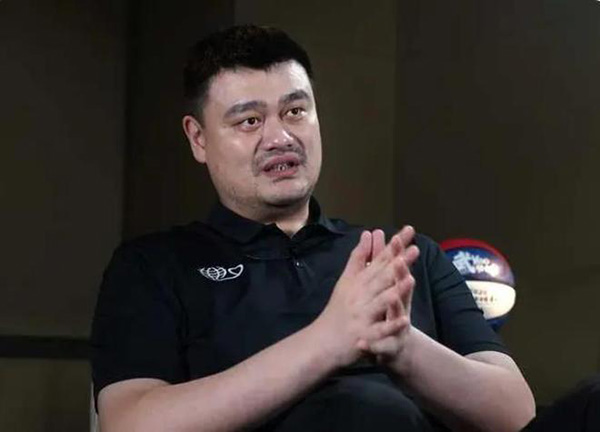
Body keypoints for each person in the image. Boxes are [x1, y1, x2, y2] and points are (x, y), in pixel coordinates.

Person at [91, 25, 535, 432]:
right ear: (198, 138)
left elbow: (516, 414)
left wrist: (402, 345)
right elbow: (129, 423)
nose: (280, 138)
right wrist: (328, 340)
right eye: (249, 121)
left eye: (295, 111)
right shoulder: (154, 266)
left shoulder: (403, 256)